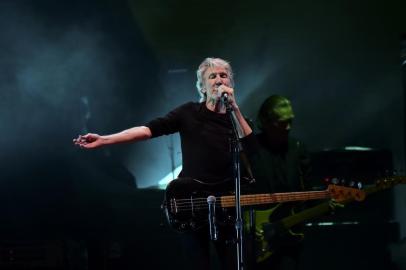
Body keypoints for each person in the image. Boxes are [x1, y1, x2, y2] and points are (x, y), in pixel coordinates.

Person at [74, 57, 254, 270]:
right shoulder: (189, 113)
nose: (218, 80)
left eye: (223, 75)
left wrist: (234, 108)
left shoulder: (237, 121)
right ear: (202, 86)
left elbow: (252, 151)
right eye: (212, 76)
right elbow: (148, 130)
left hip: (226, 210)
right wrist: (105, 139)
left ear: (231, 83)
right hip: (192, 206)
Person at [242, 95, 311, 270]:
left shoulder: (297, 148)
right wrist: (247, 222)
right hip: (256, 239)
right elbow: (237, 190)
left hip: (289, 239)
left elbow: (308, 193)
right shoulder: (250, 150)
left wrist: (327, 206)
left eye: (290, 121)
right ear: (265, 121)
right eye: (282, 122)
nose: (288, 127)